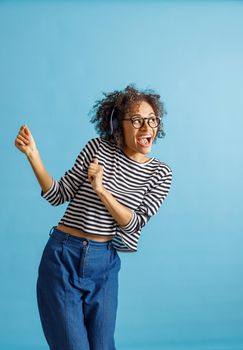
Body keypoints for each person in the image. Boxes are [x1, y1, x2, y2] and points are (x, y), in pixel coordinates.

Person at [15, 84, 172, 350]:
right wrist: (33, 155)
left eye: (152, 119)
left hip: (105, 262)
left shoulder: (160, 173)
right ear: (118, 124)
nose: (147, 127)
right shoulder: (97, 149)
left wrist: (102, 191)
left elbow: (133, 223)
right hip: (63, 256)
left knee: (103, 346)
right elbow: (58, 195)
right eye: (136, 120)